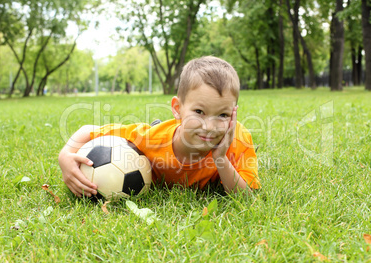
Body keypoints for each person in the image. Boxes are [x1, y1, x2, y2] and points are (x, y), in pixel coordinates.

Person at [58, 56, 261, 197]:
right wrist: (65, 156)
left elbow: (245, 198)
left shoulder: (239, 140)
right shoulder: (148, 138)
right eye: (199, 112)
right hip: (160, 133)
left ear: (233, 112)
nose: (209, 126)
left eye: (223, 115)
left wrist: (221, 159)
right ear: (177, 108)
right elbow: (86, 130)